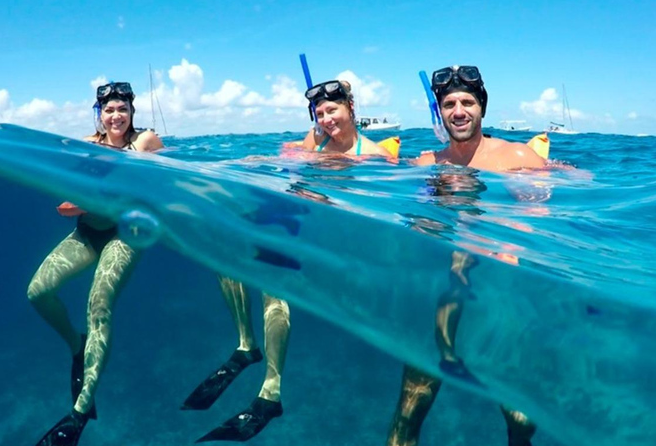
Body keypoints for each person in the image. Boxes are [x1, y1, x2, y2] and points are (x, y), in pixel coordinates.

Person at [182, 79, 392, 443]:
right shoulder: (315, 140)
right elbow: (289, 158)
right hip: (294, 215)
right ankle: (246, 346)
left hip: (325, 233)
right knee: (224, 251)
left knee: (271, 283)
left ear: (351, 108)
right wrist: (257, 161)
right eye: (320, 113)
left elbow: (371, 212)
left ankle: (271, 390)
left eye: (333, 110)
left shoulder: (373, 156)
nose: (327, 119)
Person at [387, 65, 545, 446]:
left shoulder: (515, 156)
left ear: (482, 109)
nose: (458, 110)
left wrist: (514, 239)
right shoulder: (428, 163)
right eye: (449, 103)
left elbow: (547, 204)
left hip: (497, 286)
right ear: (439, 113)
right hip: (442, 286)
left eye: (467, 102)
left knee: (521, 420)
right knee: (410, 409)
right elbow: (411, 216)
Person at [28, 82, 163, 446]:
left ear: (132, 113)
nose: (116, 115)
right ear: (99, 114)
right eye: (109, 110)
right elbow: (67, 201)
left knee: (98, 304)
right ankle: (77, 345)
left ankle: (80, 411)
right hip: (88, 231)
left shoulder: (146, 141)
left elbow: (167, 185)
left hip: (124, 234)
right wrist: (82, 204)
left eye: (122, 109)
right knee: (37, 292)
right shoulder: (87, 147)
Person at [300, 80, 392, 156]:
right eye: (320, 114)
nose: (326, 120)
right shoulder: (316, 137)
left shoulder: (375, 153)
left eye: (331, 110)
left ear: (350, 106)